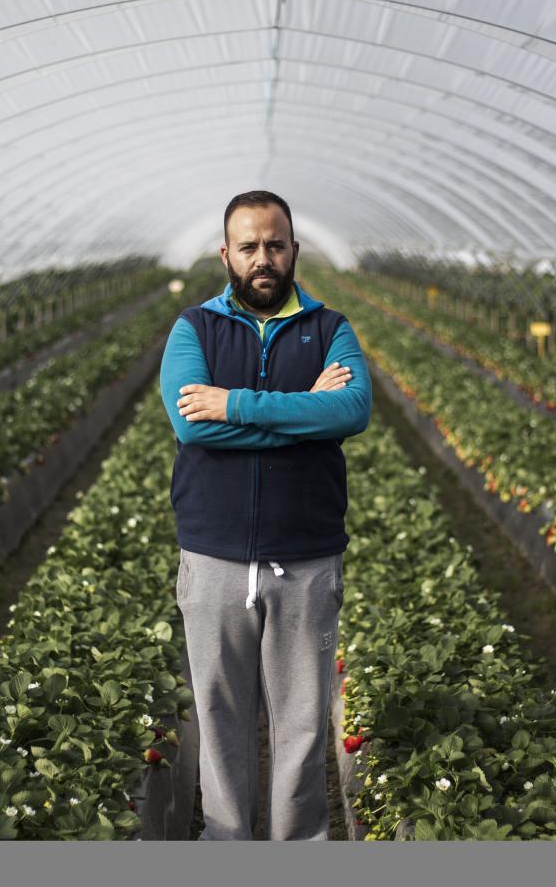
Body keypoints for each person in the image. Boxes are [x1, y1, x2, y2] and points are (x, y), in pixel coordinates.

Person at [159, 189, 372, 840]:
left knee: (303, 724)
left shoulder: (331, 329)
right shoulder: (193, 329)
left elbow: (351, 410)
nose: (262, 258)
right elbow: (192, 427)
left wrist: (238, 407)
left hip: (305, 558)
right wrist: (302, 412)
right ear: (225, 253)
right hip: (214, 556)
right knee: (220, 719)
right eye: (248, 246)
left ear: (294, 250)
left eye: (274, 245)